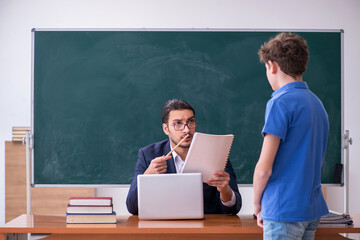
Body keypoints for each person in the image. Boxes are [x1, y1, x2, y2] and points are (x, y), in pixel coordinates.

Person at [253, 32, 329, 239]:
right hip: (310, 209)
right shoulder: (316, 103)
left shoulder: (280, 102)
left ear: (272, 66)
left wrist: (256, 204)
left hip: (283, 209)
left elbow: (263, 169)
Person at [126, 99, 242, 215]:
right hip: (164, 228)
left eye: (190, 122)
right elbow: (132, 207)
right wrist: (147, 177)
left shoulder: (215, 152)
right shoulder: (148, 155)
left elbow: (234, 208)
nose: (187, 130)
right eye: (178, 124)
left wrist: (224, 190)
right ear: (166, 129)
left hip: (206, 229)